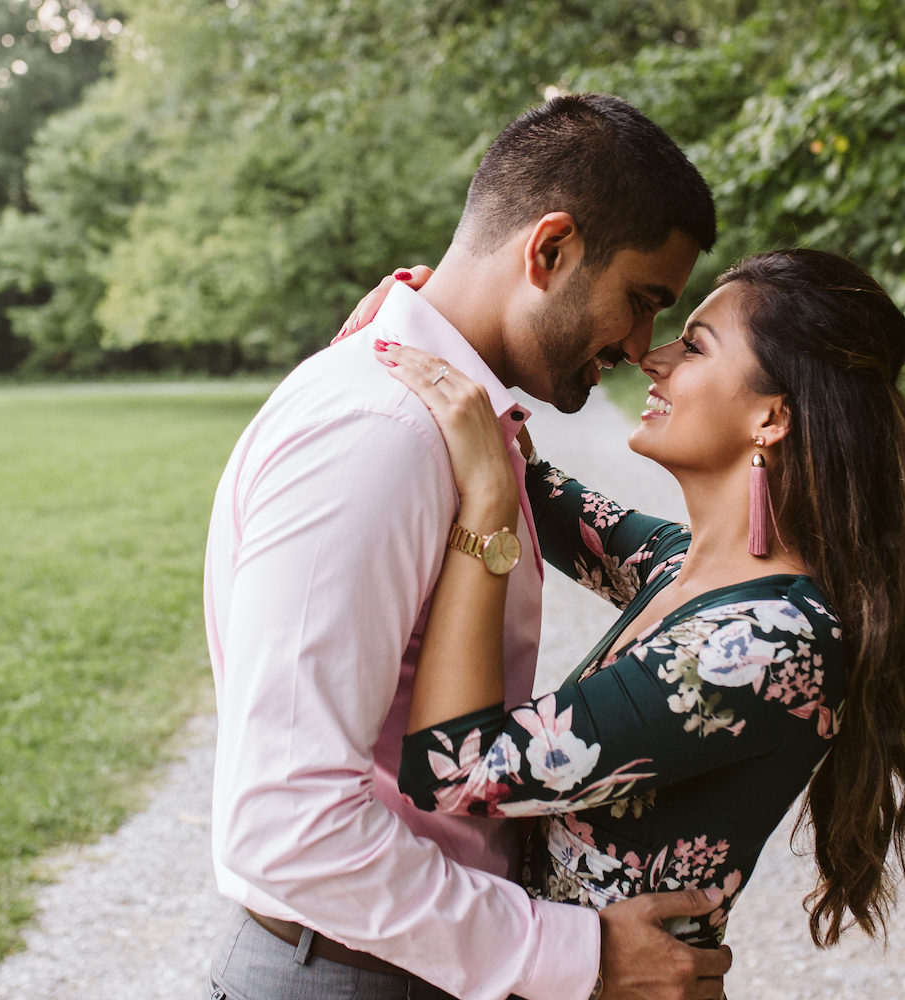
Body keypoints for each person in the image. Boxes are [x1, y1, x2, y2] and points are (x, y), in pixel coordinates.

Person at [203, 94, 733, 1000]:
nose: (642, 347)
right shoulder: (379, 431)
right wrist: (579, 956)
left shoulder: (457, 422)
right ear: (550, 249)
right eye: (641, 302)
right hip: (347, 975)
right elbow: (286, 824)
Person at [362, 247, 905, 964]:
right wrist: (427, 322)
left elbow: (459, 768)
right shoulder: (682, 563)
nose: (655, 358)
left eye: (695, 346)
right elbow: (537, 490)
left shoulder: (769, 641)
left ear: (771, 417)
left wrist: (487, 505)